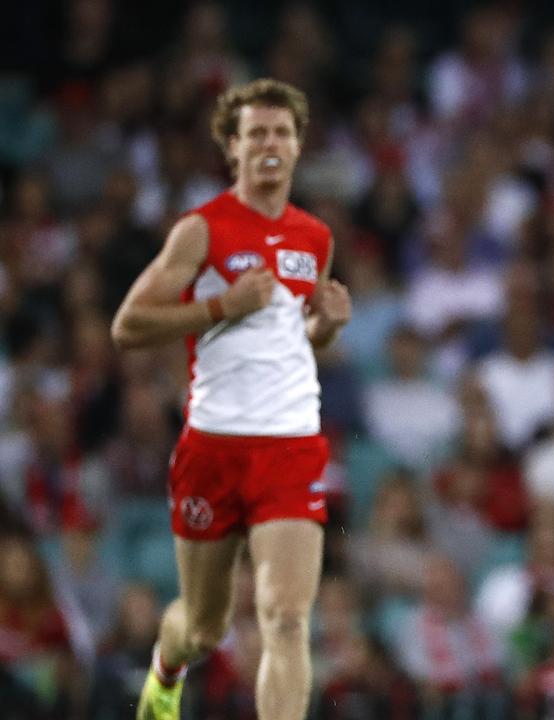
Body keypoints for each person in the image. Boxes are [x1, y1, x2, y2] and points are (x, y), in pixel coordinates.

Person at [110, 78, 351, 720]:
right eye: (257, 133)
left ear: (299, 147)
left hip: (291, 442)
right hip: (213, 443)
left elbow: (290, 335)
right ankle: (165, 673)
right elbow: (127, 325)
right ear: (232, 147)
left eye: (282, 132)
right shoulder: (202, 231)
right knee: (204, 629)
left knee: (285, 616)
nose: (271, 144)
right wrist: (218, 305)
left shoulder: (314, 237)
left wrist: (326, 324)